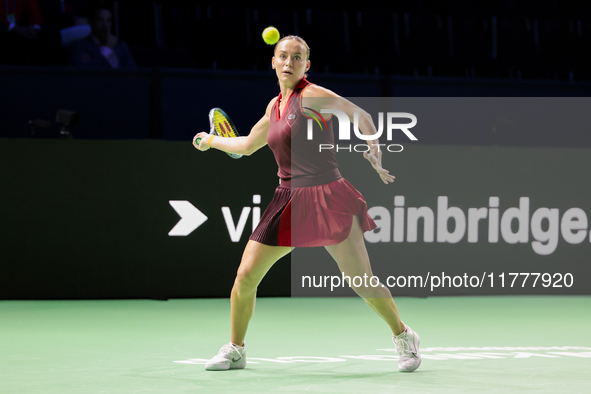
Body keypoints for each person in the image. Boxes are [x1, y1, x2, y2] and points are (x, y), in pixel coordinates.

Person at [192, 35, 421, 373]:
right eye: (283, 56)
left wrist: (373, 144)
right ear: (273, 61)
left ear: (306, 65)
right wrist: (211, 140)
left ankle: (404, 336)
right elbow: (246, 145)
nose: (288, 63)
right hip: (287, 199)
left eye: (296, 58)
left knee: (361, 280)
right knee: (245, 277)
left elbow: (359, 114)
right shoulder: (275, 106)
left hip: (328, 196)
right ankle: (236, 349)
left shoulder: (312, 96)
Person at [67, 3, 135, 68]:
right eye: (100, 20)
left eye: (108, 20)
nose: (105, 25)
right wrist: (107, 50)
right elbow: (87, 74)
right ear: (91, 22)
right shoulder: (79, 46)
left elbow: (133, 72)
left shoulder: (121, 46)